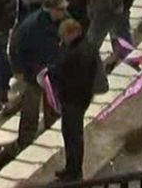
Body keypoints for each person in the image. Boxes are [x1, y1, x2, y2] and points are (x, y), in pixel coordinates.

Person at [10, 0, 68, 147]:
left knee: (53, 105)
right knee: (31, 109)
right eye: (60, 9)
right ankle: (25, 142)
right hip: (33, 72)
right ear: (50, 9)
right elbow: (15, 46)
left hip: (53, 71)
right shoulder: (31, 25)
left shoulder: (63, 20)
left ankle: (52, 134)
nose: (63, 12)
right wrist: (18, 69)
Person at [49, 19, 97, 182]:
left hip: (74, 99)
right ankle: (71, 168)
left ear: (73, 33)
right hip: (76, 98)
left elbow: (71, 74)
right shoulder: (83, 47)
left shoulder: (79, 51)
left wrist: (56, 75)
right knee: (69, 134)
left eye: (64, 36)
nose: (62, 40)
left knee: (73, 136)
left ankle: (74, 172)